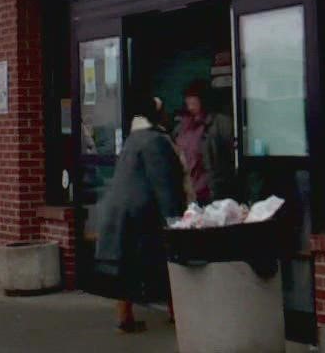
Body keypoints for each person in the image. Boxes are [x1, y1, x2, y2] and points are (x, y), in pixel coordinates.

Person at [93, 96, 187, 334]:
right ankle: (179, 313)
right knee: (169, 262)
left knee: (128, 268)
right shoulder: (155, 142)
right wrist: (175, 221)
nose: (167, 115)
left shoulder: (134, 139)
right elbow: (164, 184)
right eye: (163, 111)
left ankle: (125, 316)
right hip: (143, 216)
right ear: (156, 115)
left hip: (125, 213)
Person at [173, 82, 235, 205]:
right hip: (189, 191)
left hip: (211, 190)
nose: (190, 105)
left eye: (194, 100)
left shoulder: (221, 123)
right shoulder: (181, 127)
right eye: (188, 101)